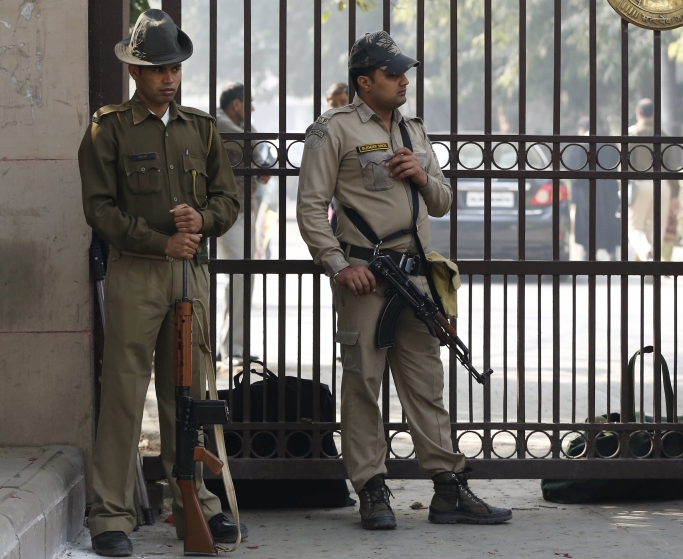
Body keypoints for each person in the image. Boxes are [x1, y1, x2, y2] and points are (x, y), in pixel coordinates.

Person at [297, 31, 511, 530]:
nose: (404, 81)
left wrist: (421, 174)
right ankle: (371, 488)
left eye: (406, 73)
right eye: (393, 74)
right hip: (365, 279)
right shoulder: (334, 130)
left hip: (415, 280)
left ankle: (448, 489)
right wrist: (337, 265)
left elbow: (443, 200)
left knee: (426, 385)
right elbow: (310, 207)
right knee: (363, 385)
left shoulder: (413, 130)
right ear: (364, 81)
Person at [78, 10, 246, 556]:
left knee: (190, 398)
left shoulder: (201, 128)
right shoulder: (109, 129)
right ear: (135, 73)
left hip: (189, 274)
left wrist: (205, 221)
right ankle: (110, 515)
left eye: (174, 67)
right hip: (136, 271)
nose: (168, 78)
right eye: (157, 70)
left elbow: (228, 200)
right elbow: (99, 210)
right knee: (124, 395)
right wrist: (160, 242)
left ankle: (197, 504)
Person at [214, 82, 271, 362]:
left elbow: (260, 158)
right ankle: (231, 346)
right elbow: (251, 147)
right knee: (238, 273)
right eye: (248, 103)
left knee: (241, 275)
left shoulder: (246, 129)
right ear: (236, 104)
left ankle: (230, 344)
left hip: (243, 210)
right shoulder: (218, 121)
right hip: (225, 212)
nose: (252, 108)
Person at [627, 98, 682, 260]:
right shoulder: (663, 135)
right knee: (658, 226)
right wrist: (675, 194)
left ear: (638, 113)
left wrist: (624, 190)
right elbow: (673, 167)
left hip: (640, 184)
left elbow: (624, 166)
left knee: (635, 226)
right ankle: (653, 263)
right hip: (663, 185)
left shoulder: (633, 134)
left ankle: (645, 252)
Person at [567, 116, 621, 260]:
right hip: (607, 189)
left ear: (581, 129)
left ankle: (588, 251)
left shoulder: (581, 145)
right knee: (609, 217)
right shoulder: (609, 143)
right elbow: (616, 163)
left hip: (586, 191)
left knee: (588, 220)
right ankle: (611, 250)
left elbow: (574, 171)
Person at [324, 82, 349, 231]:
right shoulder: (324, 130)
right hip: (333, 199)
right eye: (333, 104)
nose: (338, 107)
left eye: (343, 102)